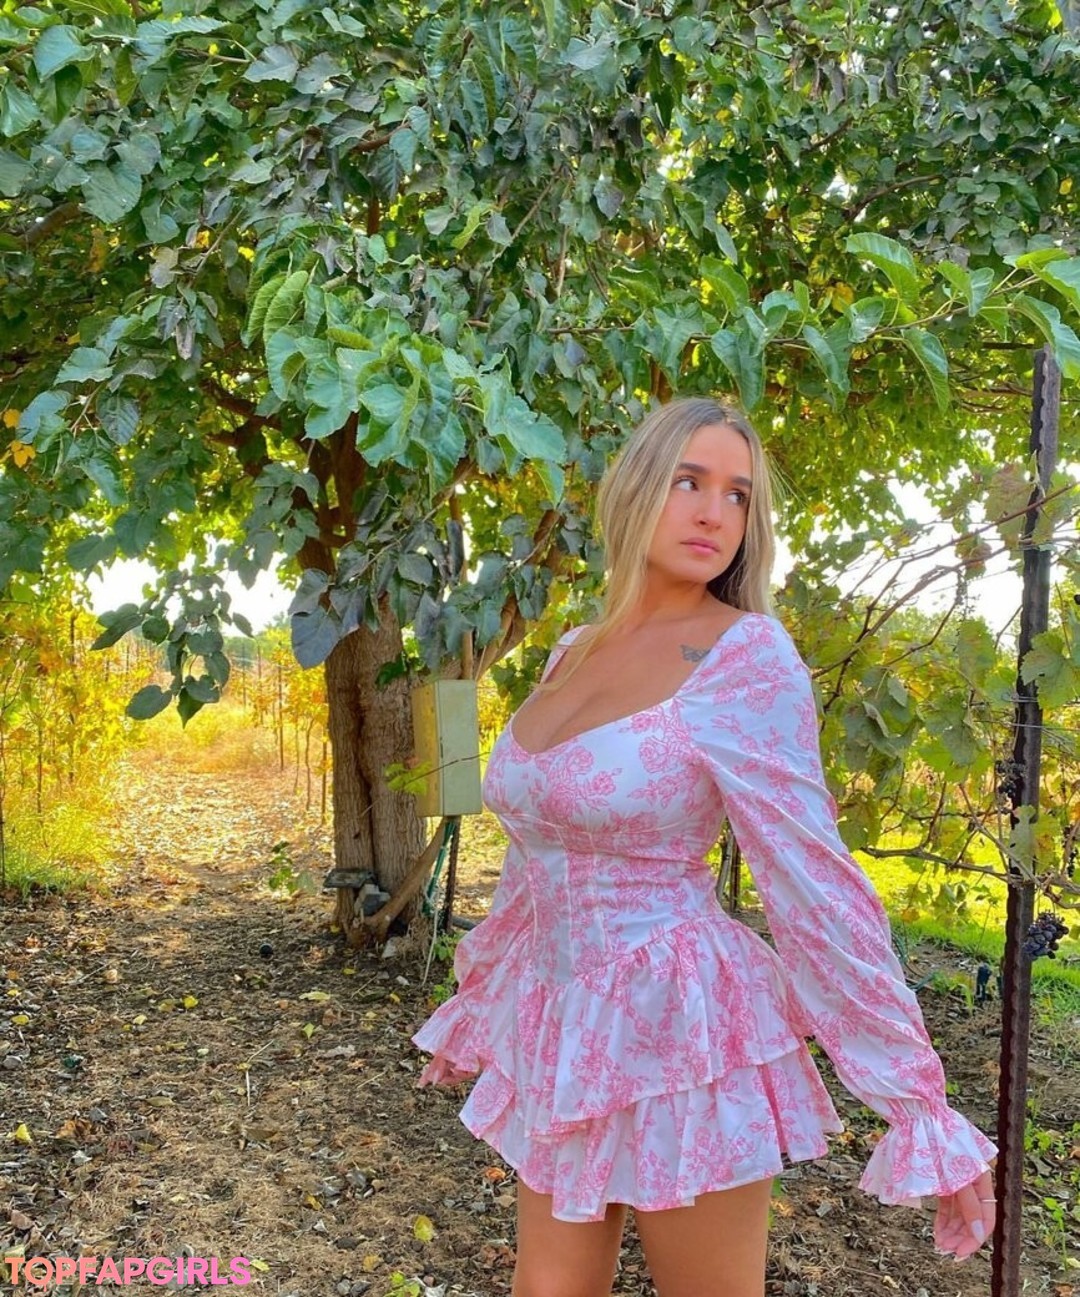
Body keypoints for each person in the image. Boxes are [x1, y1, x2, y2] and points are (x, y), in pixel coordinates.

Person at [412, 396, 997, 1297]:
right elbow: (539, 848)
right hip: (561, 1022)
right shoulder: (573, 649)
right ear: (636, 488)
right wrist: (483, 996)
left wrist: (917, 1103)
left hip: (685, 1024)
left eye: (737, 494)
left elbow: (813, 882)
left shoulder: (746, 657)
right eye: (689, 481)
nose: (714, 513)